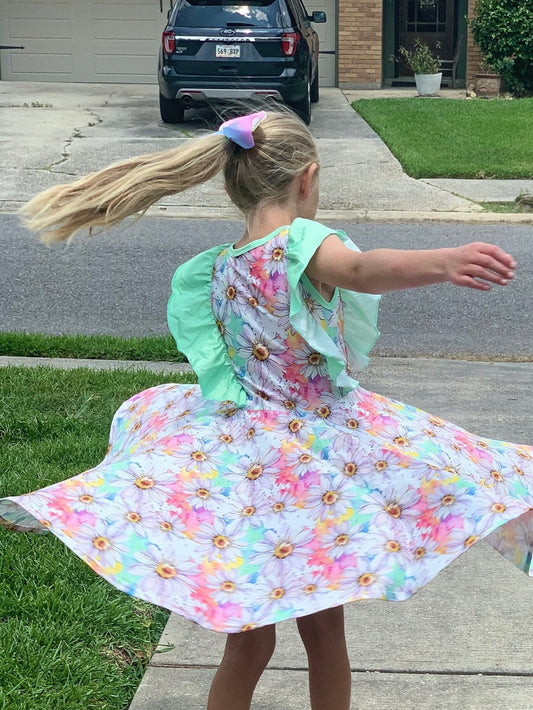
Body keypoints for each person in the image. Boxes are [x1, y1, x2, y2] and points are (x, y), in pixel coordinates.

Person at [0, 109, 531, 710]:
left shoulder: (218, 266)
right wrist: (442, 261)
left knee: (247, 645)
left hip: (250, 468)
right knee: (326, 633)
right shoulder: (301, 243)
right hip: (310, 470)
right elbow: (358, 270)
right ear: (308, 178)